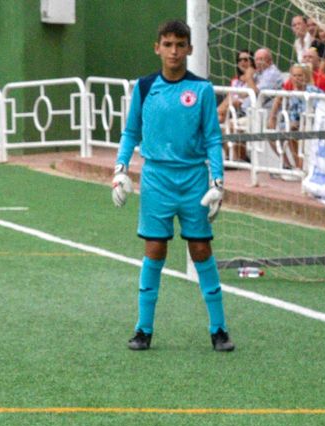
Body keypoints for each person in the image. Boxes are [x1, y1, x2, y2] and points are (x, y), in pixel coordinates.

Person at [111, 20, 234, 352]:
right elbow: (130, 132)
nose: (174, 51)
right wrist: (120, 169)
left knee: (201, 251)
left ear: (190, 49)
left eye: (180, 45)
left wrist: (218, 181)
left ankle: (219, 329)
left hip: (194, 180)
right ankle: (143, 330)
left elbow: (212, 138)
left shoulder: (203, 90)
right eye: (168, 44)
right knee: (154, 250)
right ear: (157, 48)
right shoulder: (146, 87)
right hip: (156, 181)